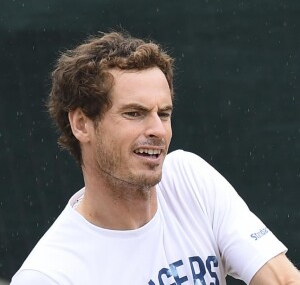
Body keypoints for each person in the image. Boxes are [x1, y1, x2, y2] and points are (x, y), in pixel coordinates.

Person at [11, 31, 300, 285]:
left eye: (163, 114)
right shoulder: (47, 275)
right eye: (134, 113)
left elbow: (284, 280)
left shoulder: (190, 178)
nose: (158, 131)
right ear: (82, 124)